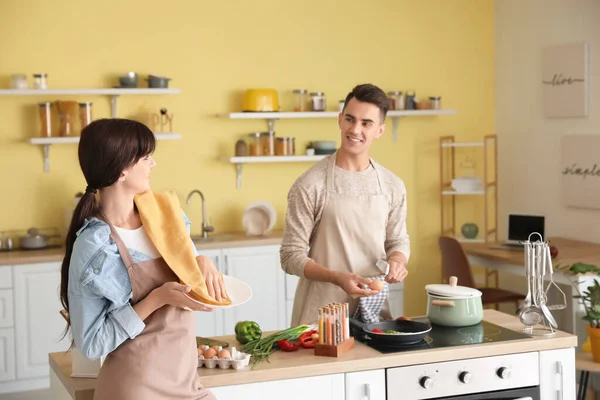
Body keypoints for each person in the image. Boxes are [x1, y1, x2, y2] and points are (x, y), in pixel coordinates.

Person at [59, 118, 225, 400]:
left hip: (187, 381)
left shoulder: (163, 210)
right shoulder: (95, 246)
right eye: (146, 157)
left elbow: (188, 258)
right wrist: (157, 300)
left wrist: (202, 260)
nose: (153, 164)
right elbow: (92, 344)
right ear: (122, 170)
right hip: (136, 388)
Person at [280, 83, 410, 326]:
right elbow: (290, 256)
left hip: (374, 312)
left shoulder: (393, 185)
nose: (355, 129)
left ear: (379, 130)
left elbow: (398, 241)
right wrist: (336, 277)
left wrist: (398, 261)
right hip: (321, 315)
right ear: (340, 120)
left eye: (366, 123)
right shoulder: (310, 185)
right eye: (350, 119)